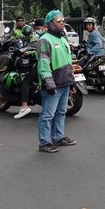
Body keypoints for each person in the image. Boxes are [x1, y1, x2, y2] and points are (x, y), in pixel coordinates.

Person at [36, 10, 77, 153]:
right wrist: (49, 83)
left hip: (64, 82)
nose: (61, 23)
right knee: (47, 115)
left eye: (62, 20)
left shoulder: (62, 39)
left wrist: (72, 81)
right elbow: (43, 64)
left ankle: (58, 137)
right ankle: (44, 142)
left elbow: (68, 62)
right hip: (53, 84)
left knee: (61, 112)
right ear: (50, 23)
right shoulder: (45, 40)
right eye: (57, 21)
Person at [14, 25, 37, 120]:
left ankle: (24, 107)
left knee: (25, 83)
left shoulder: (40, 38)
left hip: (41, 65)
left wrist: (29, 53)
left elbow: (38, 51)